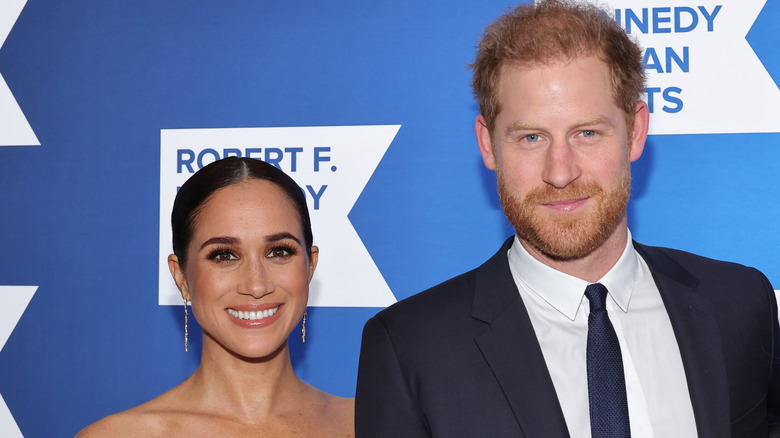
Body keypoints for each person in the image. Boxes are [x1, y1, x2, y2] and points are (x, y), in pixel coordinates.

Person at [355, 1, 780, 437]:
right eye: (531, 137)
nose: (560, 172)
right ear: (487, 144)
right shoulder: (410, 347)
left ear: (635, 131)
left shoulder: (741, 303)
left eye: (587, 133)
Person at [77, 157, 353, 437]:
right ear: (181, 277)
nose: (256, 285)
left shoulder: (370, 421)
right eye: (224, 255)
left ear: (310, 266)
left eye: (279, 251)